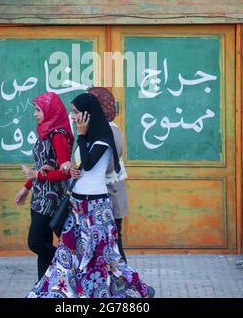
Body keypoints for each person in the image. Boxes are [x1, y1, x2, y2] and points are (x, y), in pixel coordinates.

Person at [27, 92, 155, 298]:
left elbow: (89, 163)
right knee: (67, 252)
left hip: (96, 208)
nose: (72, 116)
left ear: (87, 114)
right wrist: (68, 167)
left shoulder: (104, 138)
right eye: (72, 112)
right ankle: (59, 293)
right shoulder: (87, 137)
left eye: (76, 112)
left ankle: (141, 289)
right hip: (77, 205)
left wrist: (82, 134)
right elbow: (82, 166)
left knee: (107, 256)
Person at [15, 92, 74, 281]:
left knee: (36, 242)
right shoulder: (45, 132)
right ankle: (43, 289)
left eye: (38, 110)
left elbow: (66, 171)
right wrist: (26, 187)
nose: (35, 114)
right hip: (39, 197)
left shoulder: (58, 136)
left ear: (50, 111)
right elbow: (42, 166)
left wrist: (37, 175)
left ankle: (70, 261)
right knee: (43, 248)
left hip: (51, 199)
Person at [87, 87, 128, 262]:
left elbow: (109, 165)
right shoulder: (97, 129)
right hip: (101, 196)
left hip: (110, 195)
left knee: (114, 246)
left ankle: (129, 284)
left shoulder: (109, 129)